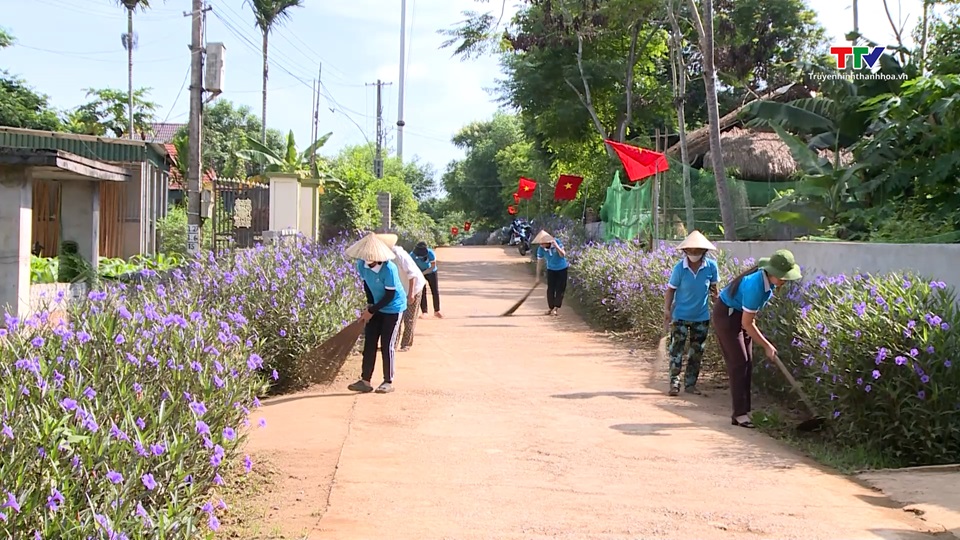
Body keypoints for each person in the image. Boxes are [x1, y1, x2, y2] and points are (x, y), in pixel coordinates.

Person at [714, 249, 802, 428]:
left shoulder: (766, 282)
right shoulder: (755, 286)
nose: (784, 281)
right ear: (772, 272)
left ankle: (744, 411)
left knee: (747, 362)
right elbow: (747, 323)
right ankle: (739, 414)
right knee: (739, 362)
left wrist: (761, 340)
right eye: (782, 277)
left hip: (740, 314)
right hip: (727, 316)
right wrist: (767, 345)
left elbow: (749, 319)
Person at [344, 233, 408, 394]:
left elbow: (390, 295)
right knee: (370, 342)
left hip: (393, 308)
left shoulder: (389, 269)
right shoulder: (361, 265)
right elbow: (367, 286)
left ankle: (388, 381)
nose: (368, 258)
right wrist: (370, 307)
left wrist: (372, 310)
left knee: (387, 345)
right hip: (377, 306)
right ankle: (365, 380)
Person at [663, 231, 719, 396]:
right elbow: (670, 290)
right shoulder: (680, 268)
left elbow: (715, 290)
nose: (694, 254)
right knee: (676, 351)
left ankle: (690, 384)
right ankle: (674, 383)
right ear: (685, 251)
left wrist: (718, 305)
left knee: (696, 353)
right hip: (680, 316)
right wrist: (667, 309)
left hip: (701, 317)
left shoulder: (711, 267)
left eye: (697, 251)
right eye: (691, 251)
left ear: (704, 251)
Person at [376, 233, 427, 352]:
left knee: (409, 318)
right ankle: (392, 344)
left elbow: (412, 275)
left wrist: (411, 294)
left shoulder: (399, 254)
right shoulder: (383, 257)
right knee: (396, 316)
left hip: (414, 287)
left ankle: (406, 344)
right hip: (399, 289)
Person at [533, 230, 568, 316]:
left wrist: (556, 246)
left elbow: (562, 255)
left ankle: (556, 308)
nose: (541, 245)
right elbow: (539, 263)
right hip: (551, 269)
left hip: (562, 269)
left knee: (560, 289)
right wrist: (537, 277)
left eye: (543, 243)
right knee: (550, 289)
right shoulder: (540, 249)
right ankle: (550, 307)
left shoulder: (557, 242)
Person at [412, 242, 442, 319]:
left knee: (434, 290)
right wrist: (419, 274)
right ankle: (424, 312)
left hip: (431, 272)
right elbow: (411, 267)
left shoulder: (431, 253)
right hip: (419, 272)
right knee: (422, 291)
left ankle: (437, 310)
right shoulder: (412, 255)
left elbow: (432, 266)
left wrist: (423, 273)